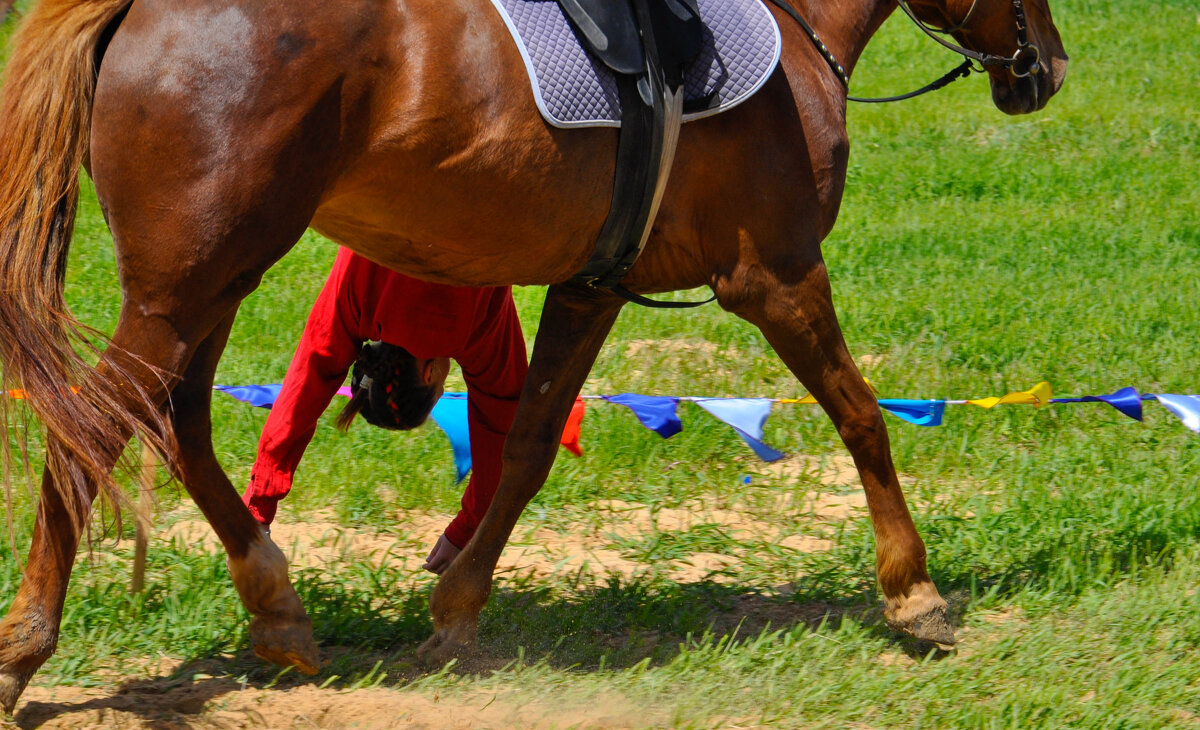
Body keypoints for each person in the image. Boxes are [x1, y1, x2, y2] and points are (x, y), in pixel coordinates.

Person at [242, 247, 528, 574]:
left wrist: (468, 532)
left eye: (439, 392)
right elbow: (307, 382)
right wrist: (257, 507)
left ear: (429, 374)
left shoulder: (471, 332)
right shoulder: (358, 307)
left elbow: (504, 422)